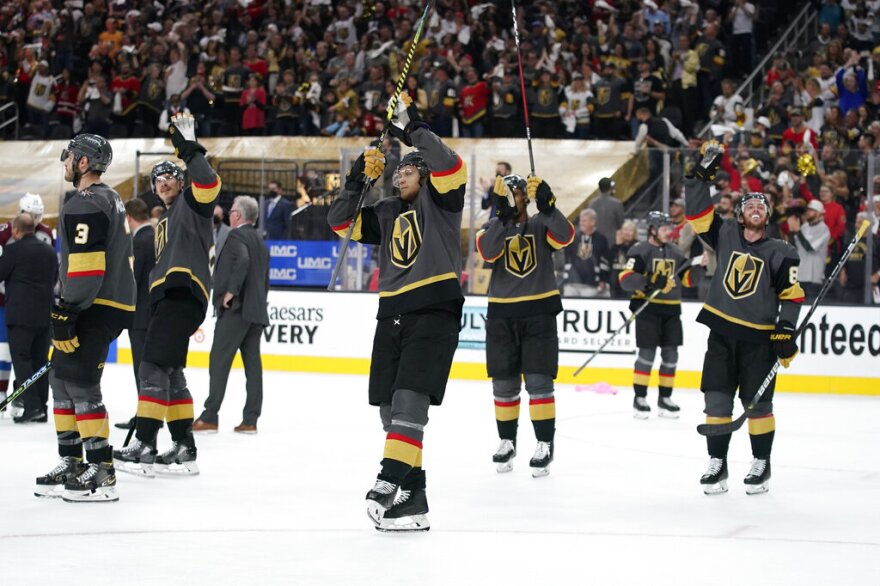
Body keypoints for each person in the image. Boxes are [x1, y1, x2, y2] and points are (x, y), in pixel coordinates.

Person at [327, 91, 466, 532]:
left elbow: (450, 164)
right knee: (390, 411)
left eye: (408, 169)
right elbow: (339, 223)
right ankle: (413, 503)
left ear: (424, 177)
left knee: (409, 401)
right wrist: (356, 181)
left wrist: (413, 128)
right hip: (392, 311)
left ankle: (389, 481)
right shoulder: (386, 210)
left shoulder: (442, 201)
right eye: (398, 168)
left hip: (434, 306)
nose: (400, 174)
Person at [684, 141, 804, 496]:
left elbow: (793, 296)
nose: (755, 208)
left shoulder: (783, 252)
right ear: (739, 215)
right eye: (748, 205)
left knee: (759, 406)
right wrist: (699, 176)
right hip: (721, 334)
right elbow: (696, 213)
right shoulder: (725, 233)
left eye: (760, 206)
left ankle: (760, 465)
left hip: (759, 341)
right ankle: (717, 465)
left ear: (767, 218)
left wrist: (786, 330)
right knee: (717, 402)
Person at [114, 113, 222, 478]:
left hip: (182, 292)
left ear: (182, 181)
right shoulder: (166, 219)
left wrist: (190, 150)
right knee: (172, 373)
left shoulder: (193, 204)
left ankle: (144, 442)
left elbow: (208, 181)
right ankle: (184, 446)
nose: (163, 183)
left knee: (151, 366)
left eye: (169, 177)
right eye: (157, 180)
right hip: (172, 298)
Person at [36, 133, 135, 502]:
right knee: (61, 382)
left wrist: (67, 308)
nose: (65, 161)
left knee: (79, 383)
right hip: (101, 302)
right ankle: (72, 460)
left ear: (82, 163)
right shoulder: (106, 197)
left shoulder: (86, 202)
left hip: (95, 303)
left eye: (70, 156)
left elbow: (87, 267)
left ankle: (101, 467)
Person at [475, 173, 574, 476]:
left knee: (539, 382)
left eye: (515, 193)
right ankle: (507, 441)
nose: (510, 198)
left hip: (539, 312)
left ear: (526, 198)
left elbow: (566, 236)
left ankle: (544, 443)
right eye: (504, 194)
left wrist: (549, 208)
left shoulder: (541, 223)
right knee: (503, 384)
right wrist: (502, 218)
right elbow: (488, 252)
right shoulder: (492, 227)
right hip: (502, 314)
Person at [194, 196, 269, 433]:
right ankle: (250, 419)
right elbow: (263, 277)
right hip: (256, 310)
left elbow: (243, 261)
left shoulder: (237, 236)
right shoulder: (259, 239)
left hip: (237, 309)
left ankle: (210, 415)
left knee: (219, 361)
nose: (228, 214)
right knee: (253, 367)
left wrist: (230, 293)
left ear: (237, 215)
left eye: (231, 210)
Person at [618, 211, 695, 419]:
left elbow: (687, 280)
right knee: (647, 355)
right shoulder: (640, 250)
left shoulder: (676, 251)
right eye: (664, 228)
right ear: (652, 230)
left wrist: (698, 268)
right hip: (648, 308)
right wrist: (651, 280)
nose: (669, 232)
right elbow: (625, 278)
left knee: (671, 355)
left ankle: (665, 398)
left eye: (670, 228)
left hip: (671, 309)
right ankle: (640, 398)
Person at [0, 193, 54, 416]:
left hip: (19, 313)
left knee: (20, 359)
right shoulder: (50, 249)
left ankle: (30, 405)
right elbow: (55, 278)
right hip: (44, 312)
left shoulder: (13, 249)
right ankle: (41, 405)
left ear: (16, 229)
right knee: (40, 361)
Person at [114, 198, 155, 430]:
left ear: (129, 218)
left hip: (141, 315)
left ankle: (145, 416)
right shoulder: (157, 237)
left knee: (142, 367)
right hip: (154, 313)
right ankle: (148, 413)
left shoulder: (139, 241)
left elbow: (132, 279)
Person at [788, 199, 830, 301]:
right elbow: (794, 246)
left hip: (813, 277)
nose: (808, 212)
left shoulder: (823, 229)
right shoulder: (805, 227)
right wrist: (792, 231)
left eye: (811, 210)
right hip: (800, 275)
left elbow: (810, 248)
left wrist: (797, 231)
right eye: (808, 210)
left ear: (819, 213)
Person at [563, 209, 611, 297]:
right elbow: (566, 258)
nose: (581, 223)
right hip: (572, 284)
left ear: (593, 222)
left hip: (591, 285)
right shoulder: (572, 237)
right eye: (581, 220)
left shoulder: (601, 239)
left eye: (584, 221)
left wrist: (603, 280)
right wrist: (566, 277)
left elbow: (605, 262)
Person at [589, 177, 625, 246]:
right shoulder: (617, 204)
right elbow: (621, 224)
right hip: (611, 241)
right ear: (611, 189)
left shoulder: (592, 203)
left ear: (599, 188)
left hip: (595, 241)